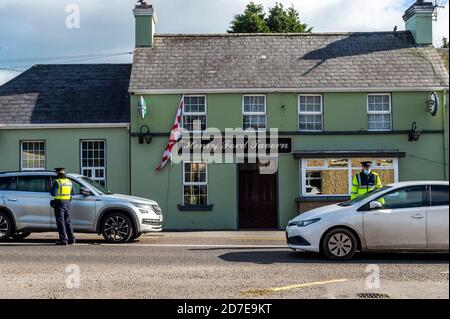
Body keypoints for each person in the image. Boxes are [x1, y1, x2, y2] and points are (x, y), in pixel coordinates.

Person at [50, 167, 75, 245]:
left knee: (60, 222)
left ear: (58, 174)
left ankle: (63, 240)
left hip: (59, 203)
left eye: (56, 173)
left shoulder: (57, 182)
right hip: (67, 203)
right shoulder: (69, 182)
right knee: (68, 221)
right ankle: (72, 239)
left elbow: (53, 193)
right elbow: (73, 193)